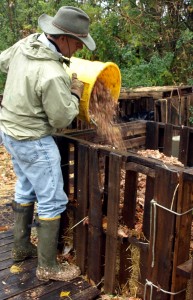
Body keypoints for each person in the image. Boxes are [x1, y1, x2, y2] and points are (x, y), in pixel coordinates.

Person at [0, 6, 96, 282]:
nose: (78, 49)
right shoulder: (53, 73)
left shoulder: (26, 44)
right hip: (32, 139)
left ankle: (20, 247)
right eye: (78, 43)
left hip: (8, 129)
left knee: (26, 185)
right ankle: (48, 267)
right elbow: (62, 117)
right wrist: (75, 93)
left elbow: (3, 62)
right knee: (52, 199)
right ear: (63, 37)